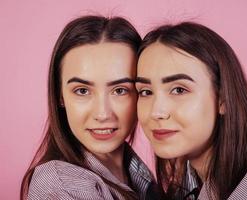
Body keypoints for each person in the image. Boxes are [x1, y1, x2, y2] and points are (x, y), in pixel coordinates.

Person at [135, 22, 247, 199]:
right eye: (146, 92)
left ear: (223, 99)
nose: (156, 112)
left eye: (179, 90)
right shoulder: (189, 189)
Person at [21, 15, 158, 200]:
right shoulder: (61, 185)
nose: (102, 114)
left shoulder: (137, 173)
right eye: (82, 91)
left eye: (120, 90)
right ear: (60, 96)